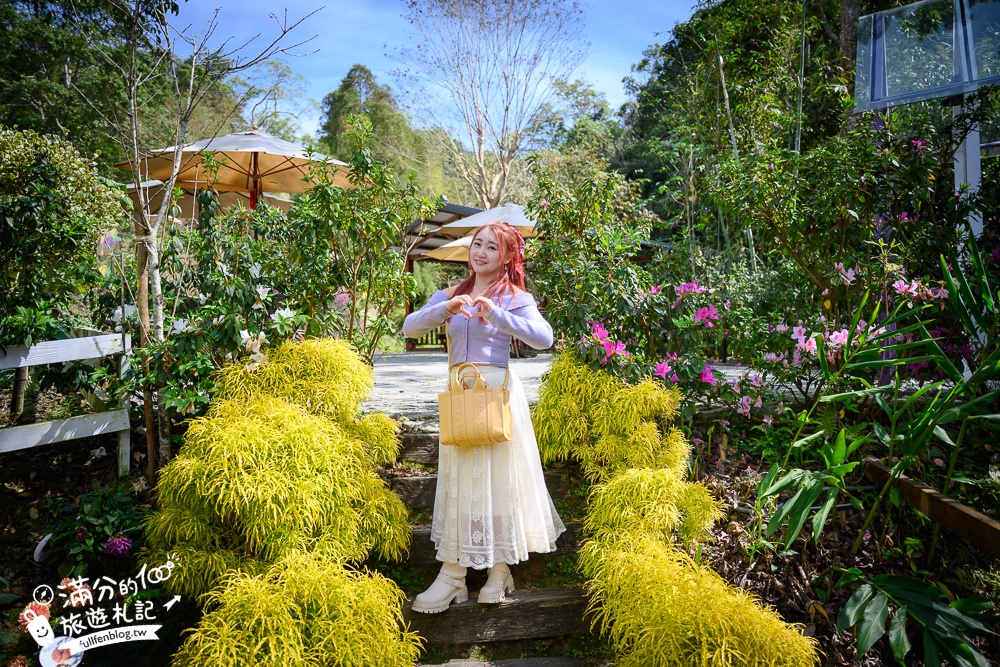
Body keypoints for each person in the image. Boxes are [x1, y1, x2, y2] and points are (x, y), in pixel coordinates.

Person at [402, 221, 566, 613]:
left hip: (498, 396)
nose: (481, 252)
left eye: (492, 247)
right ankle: (453, 576)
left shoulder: (514, 296)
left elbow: (544, 338)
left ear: (506, 256)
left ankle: (499, 569)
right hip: (461, 397)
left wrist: (498, 315)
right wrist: (445, 309)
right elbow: (409, 327)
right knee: (462, 482)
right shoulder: (450, 293)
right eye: (477, 244)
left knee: (498, 482)